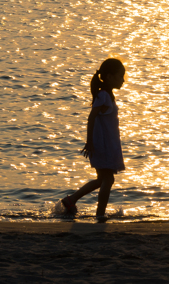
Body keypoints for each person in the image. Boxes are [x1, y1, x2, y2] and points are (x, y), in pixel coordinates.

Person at [61, 58, 127, 221]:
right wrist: (89, 142)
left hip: (108, 144)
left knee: (101, 180)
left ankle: (71, 200)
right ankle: (100, 214)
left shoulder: (107, 95)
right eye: (120, 76)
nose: (123, 80)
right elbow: (92, 118)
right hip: (103, 145)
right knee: (108, 179)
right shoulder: (103, 95)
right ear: (110, 77)